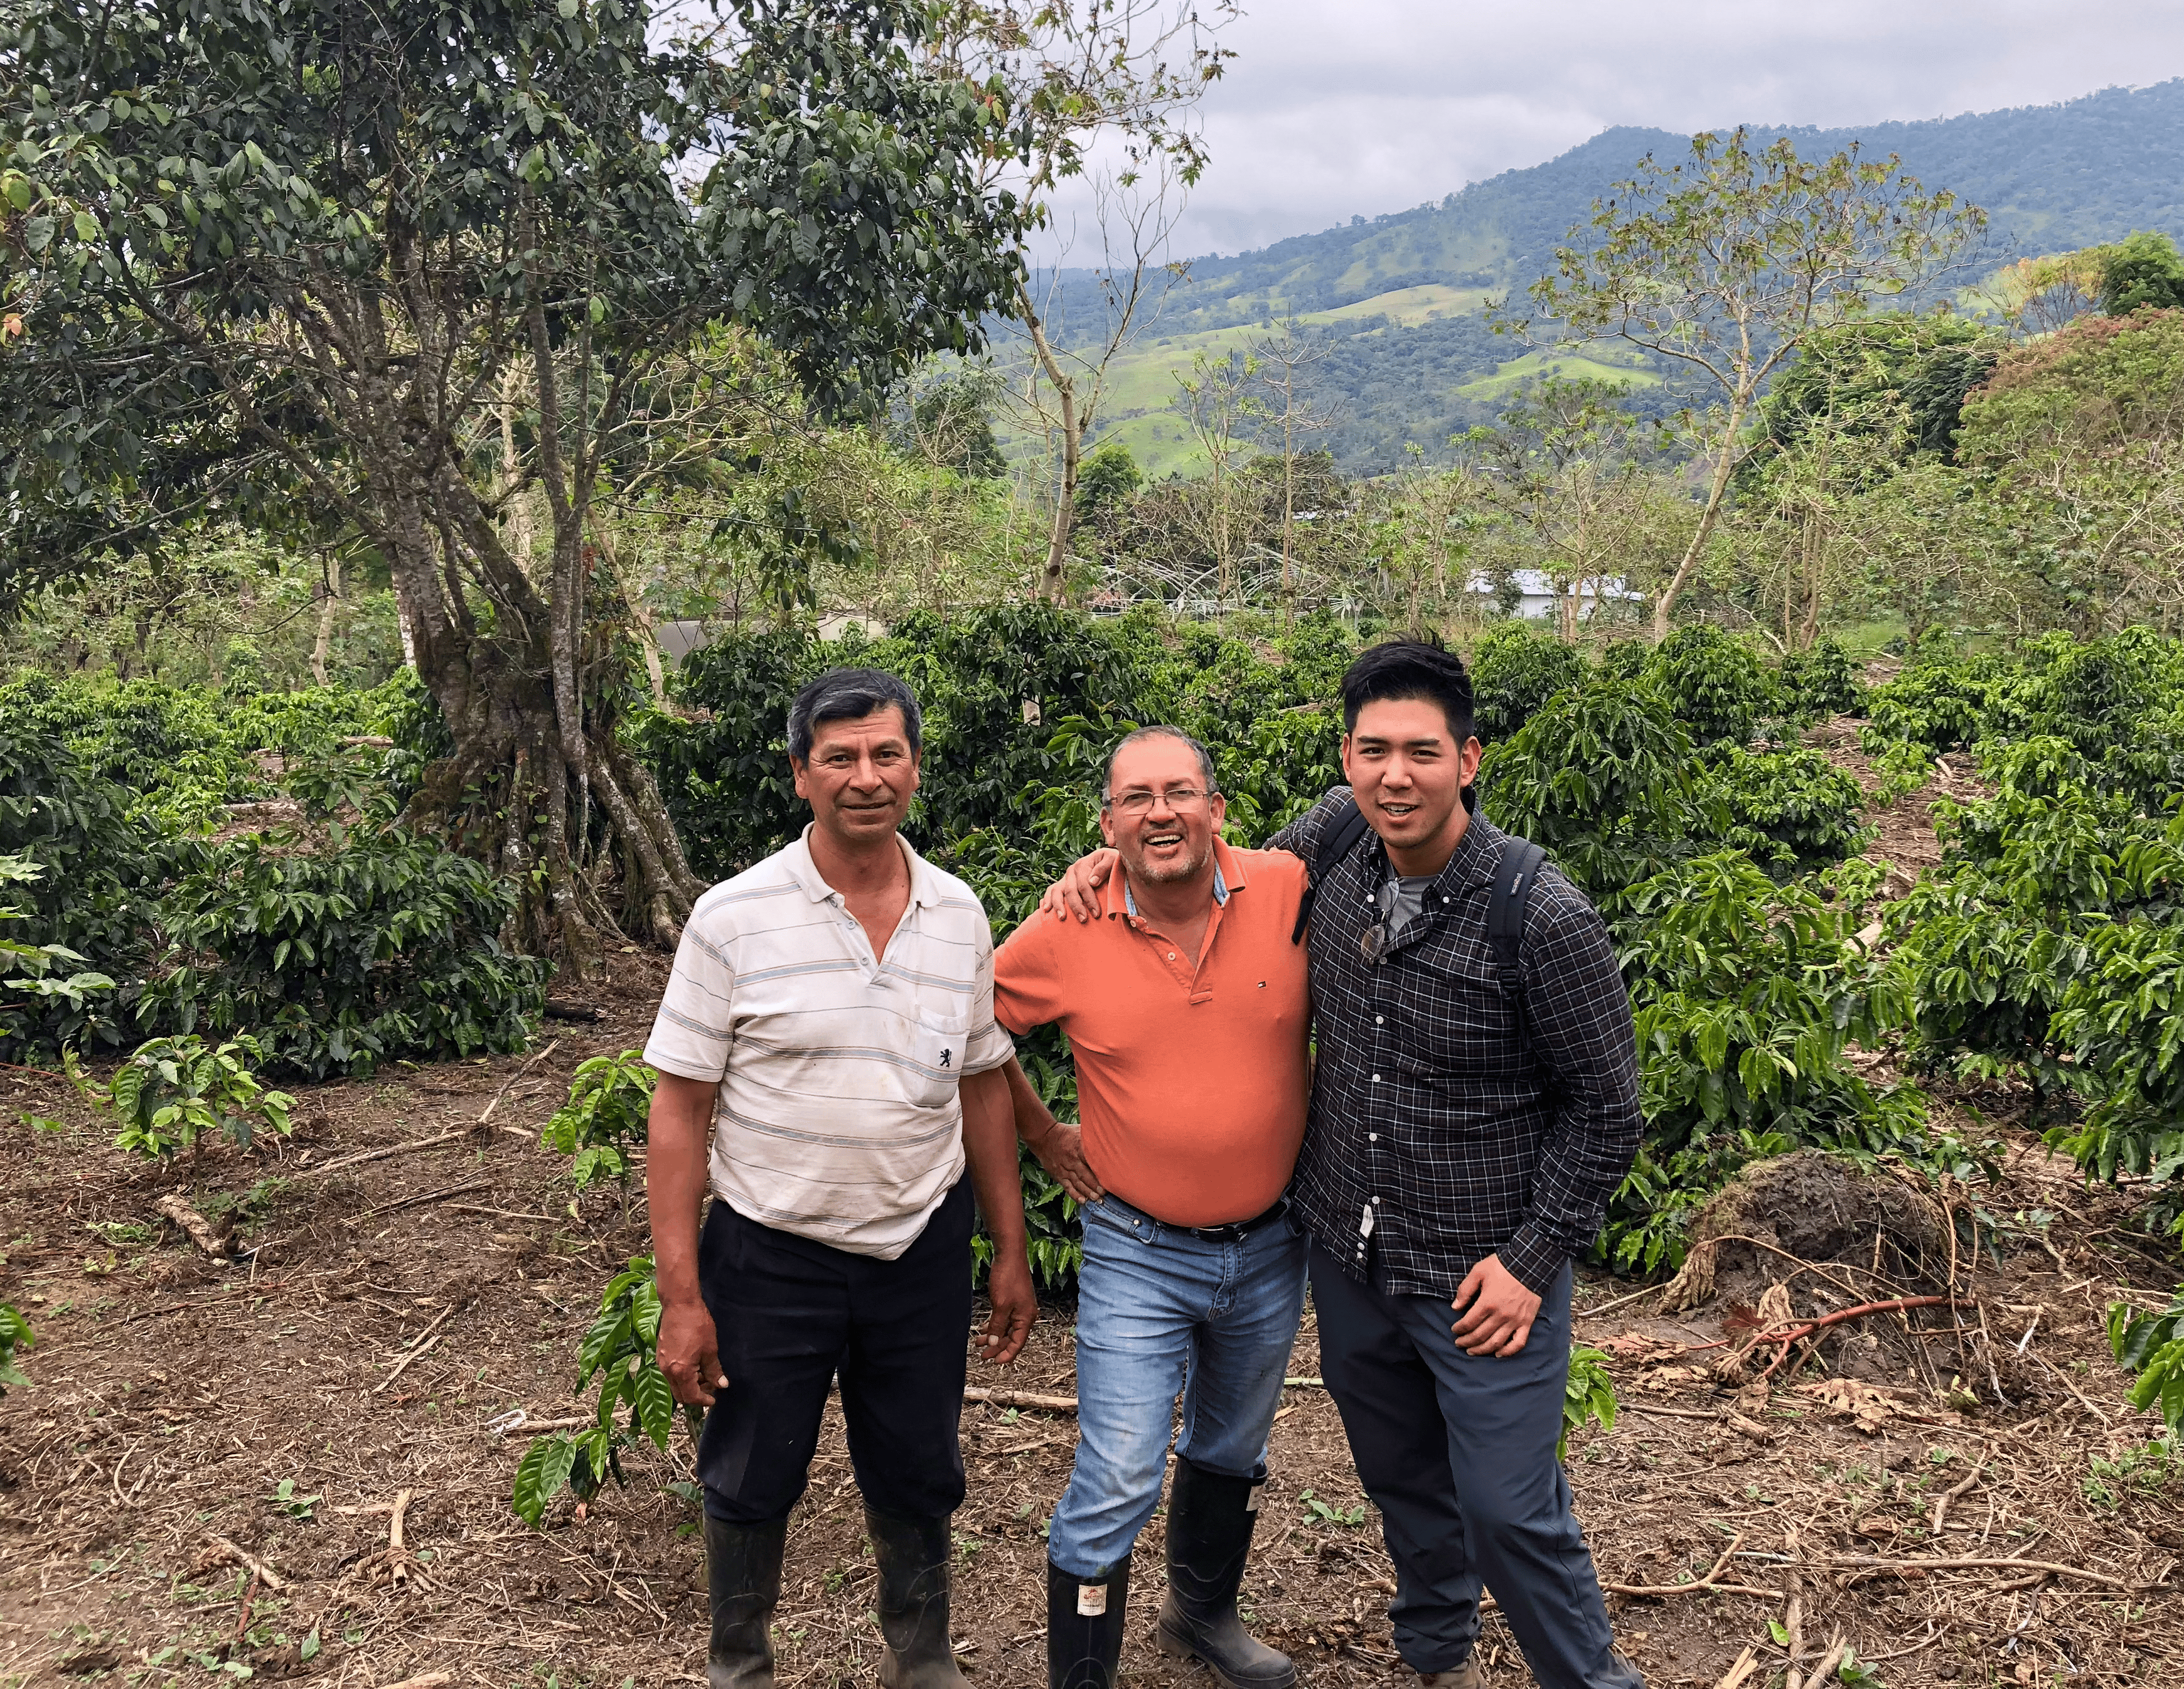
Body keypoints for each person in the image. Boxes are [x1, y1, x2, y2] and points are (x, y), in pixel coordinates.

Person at [1046, 639, 1647, 1689]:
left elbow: (1608, 1112)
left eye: (1422, 752)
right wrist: (1114, 862)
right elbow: (1212, 878)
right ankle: (1437, 1659)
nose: (1394, 776)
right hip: (1352, 1258)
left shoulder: (1538, 914)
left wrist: (1533, 1258)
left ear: (1471, 760)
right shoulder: (1333, 846)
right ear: (1347, 758)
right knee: (1405, 1484)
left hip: (1482, 1276)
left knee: (1513, 1512)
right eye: (1373, 752)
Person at [643, 667, 1037, 1689]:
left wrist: (1009, 1249)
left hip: (917, 1248)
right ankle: (742, 1663)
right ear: (800, 776)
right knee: (749, 1469)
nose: (867, 777)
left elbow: (985, 1086)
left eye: (887, 754)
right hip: (770, 1254)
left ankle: (921, 1655)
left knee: (916, 1465)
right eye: (841, 758)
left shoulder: (957, 912)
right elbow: (680, 1110)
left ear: (914, 765)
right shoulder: (734, 918)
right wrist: (681, 1297)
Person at [993, 727, 1314, 1689]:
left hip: (1271, 1244)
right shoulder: (1067, 927)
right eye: (1136, 799)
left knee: (1231, 1445)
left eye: (1180, 793)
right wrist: (1045, 1134)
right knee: (1123, 1469)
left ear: (1218, 810)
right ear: (1108, 824)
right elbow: (971, 1026)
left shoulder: (1292, 887)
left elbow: (1394, 811)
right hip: (1137, 1245)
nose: (1160, 812)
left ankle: (1201, 1614)